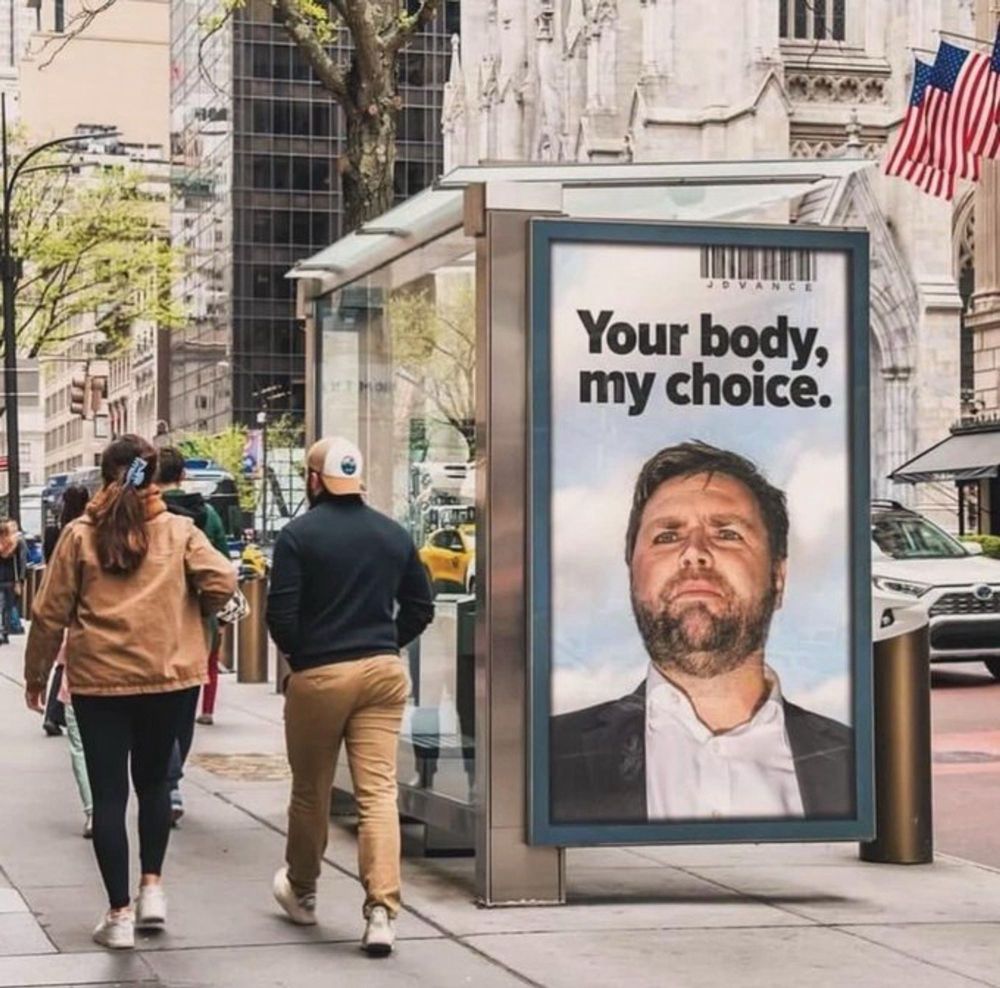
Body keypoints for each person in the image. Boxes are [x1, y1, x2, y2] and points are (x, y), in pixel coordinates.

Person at [550, 441, 853, 825]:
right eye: (667, 536)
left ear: (778, 578)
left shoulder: (859, 763)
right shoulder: (544, 757)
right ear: (633, 575)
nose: (694, 552)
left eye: (727, 533)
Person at [23, 435, 237, 950]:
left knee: (110, 795)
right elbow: (224, 582)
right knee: (156, 784)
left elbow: (49, 612)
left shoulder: (78, 536)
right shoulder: (179, 531)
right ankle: (153, 888)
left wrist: (35, 677)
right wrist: (192, 609)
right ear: (154, 475)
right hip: (169, 676)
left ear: (105, 475)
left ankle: (118, 915)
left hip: (99, 681)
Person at [266, 436, 434, 957]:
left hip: (321, 674)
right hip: (383, 672)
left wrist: (307, 655)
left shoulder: (298, 536)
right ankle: (381, 911)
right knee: (378, 793)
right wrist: (386, 643)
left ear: (315, 480)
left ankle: (303, 889)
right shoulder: (392, 534)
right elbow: (420, 606)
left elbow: (281, 617)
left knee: (311, 790)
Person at [156, 446, 232, 824]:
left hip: (154, 625)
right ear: (182, 475)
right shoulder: (209, 514)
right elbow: (222, 569)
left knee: (155, 706)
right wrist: (208, 609)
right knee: (185, 707)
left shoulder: (146, 512)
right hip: (198, 627)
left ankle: (164, 779)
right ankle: (172, 782)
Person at [42, 486, 93, 738]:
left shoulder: (55, 531)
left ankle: (55, 711)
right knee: (71, 655)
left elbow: (47, 561)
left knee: (65, 655)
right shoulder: (87, 530)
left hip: (61, 597)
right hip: (83, 599)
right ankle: (59, 710)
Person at [0, 519, 26, 645]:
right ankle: (5, 631)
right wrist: (20, 579)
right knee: (7, 608)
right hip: (11, 579)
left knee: (3, 607)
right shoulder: (16, 543)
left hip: (3, 578)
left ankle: (2, 631)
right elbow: (21, 561)